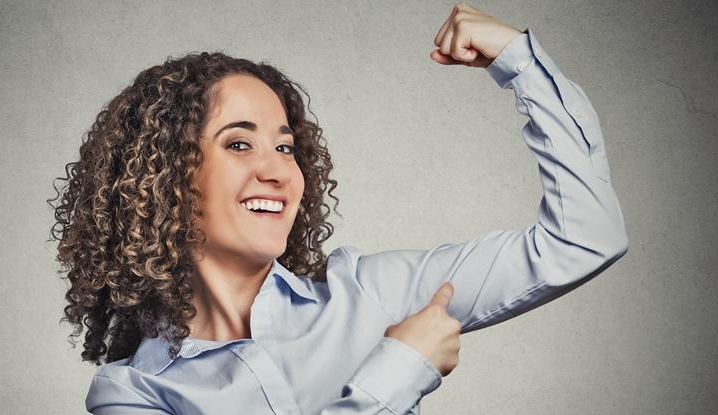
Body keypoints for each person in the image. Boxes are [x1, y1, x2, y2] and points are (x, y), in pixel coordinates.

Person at [49, 3, 628, 414]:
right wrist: (398, 372)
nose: (277, 170)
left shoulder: (370, 292)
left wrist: (520, 64)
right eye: (238, 143)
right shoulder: (131, 394)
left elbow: (583, 239)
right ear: (163, 177)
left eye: (285, 146)